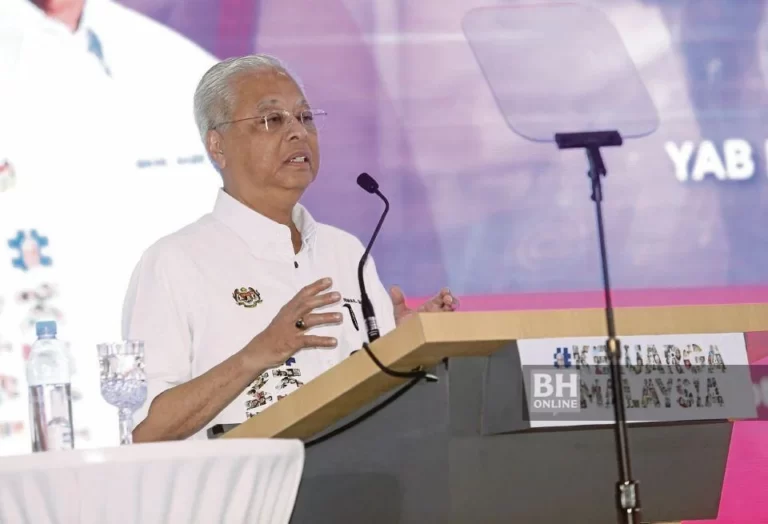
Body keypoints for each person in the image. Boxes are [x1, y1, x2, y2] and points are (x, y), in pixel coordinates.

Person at [122, 54, 459, 443]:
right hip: (247, 480)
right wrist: (259, 353)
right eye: (272, 119)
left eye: (305, 117)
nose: (298, 132)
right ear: (217, 145)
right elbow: (146, 431)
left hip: (362, 473)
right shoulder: (173, 263)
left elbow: (376, 397)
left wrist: (405, 345)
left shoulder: (346, 252)